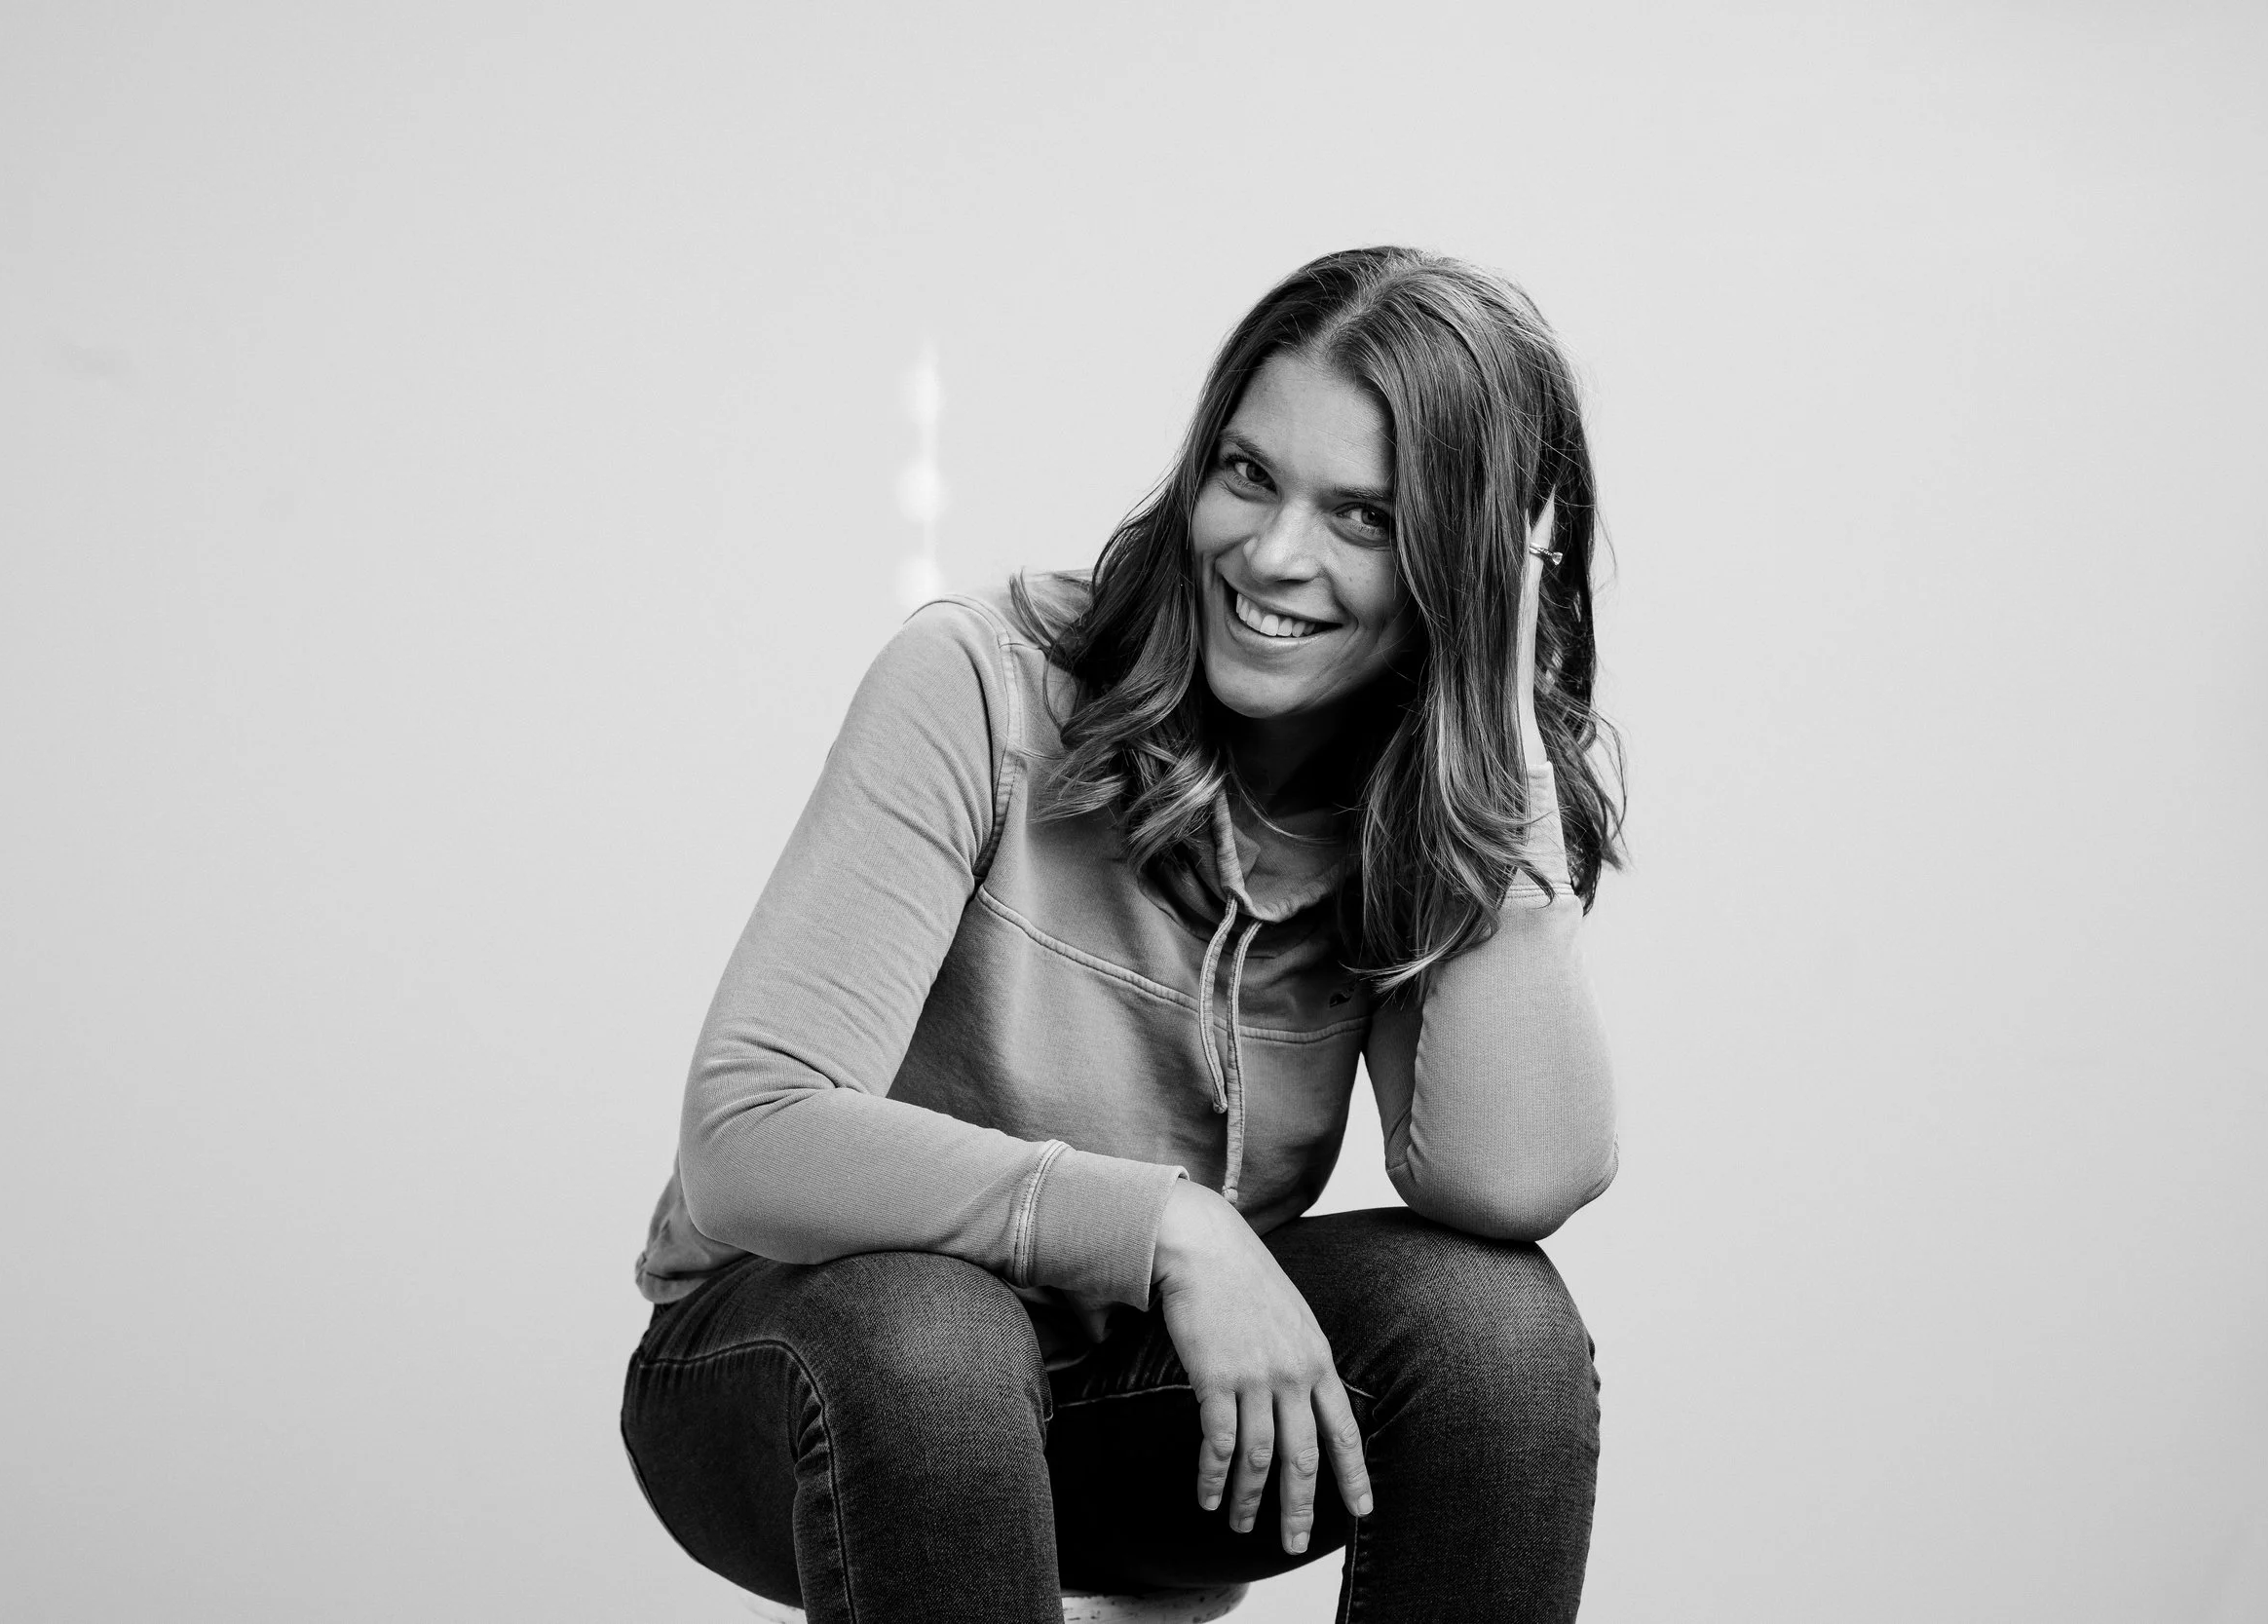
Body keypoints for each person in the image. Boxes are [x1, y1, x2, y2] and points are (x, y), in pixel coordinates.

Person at [621, 245, 1624, 1624]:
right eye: (1248, 474)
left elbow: (1511, 1182)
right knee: (935, 1334)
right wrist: (1165, 1226)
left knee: (1494, 1335)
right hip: (803, 1364)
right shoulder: (983, 681)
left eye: (1364, 518)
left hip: (1113, 1404)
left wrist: (1495, 740)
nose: (1272, 555)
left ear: (1466, 564)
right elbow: (748, 1135)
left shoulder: (1404, 800)